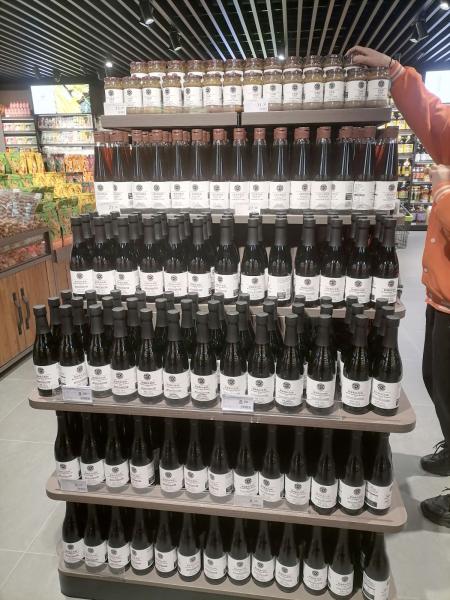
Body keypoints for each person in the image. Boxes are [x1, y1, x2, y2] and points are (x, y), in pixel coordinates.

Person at [346, 46, 450, 528]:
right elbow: (437, 121)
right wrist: (395, 72)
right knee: (436, 378)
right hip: (442, 293)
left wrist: (442, 191)